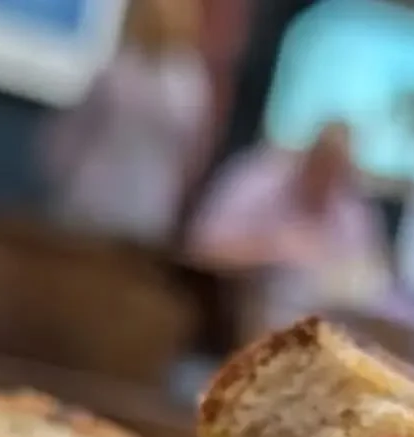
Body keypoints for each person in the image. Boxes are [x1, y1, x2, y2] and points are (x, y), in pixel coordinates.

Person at [185, 121, 390, 333]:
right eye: (323, 168)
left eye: (338, 175)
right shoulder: (257, 180)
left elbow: (371, 282)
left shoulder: (352, 213)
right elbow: (201, 251)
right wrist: (270, 250)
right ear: (309, 158)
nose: (327, 183)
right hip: (230, 315)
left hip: (312, 330)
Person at [37, 0, 212, 246]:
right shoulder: (187, 83)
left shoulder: (178, 79)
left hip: (129, 207)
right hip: (111, 204)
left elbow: (69, 139)